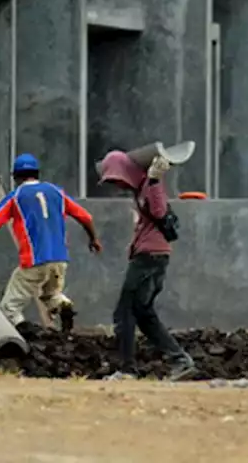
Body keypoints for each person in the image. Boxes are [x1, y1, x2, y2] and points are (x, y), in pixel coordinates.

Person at [96, 150, 196, 381]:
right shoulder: (142, 189)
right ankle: (180, 360)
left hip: (149, 258)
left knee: (124, 313)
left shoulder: (149, 185)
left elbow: (159, 210)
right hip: (154, 257)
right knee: (143, 313)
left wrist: (154, 180)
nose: (118, 186)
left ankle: (127, 369)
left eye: (117, 179)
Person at [0, 153, 102, 330]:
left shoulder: (16, 196)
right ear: (37, 173)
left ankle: (26, 334)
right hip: (59, 259)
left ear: (16, 176)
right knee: (51, 295)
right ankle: (63, 306)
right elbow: (86, 217)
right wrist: (93, 239)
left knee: (9, 308)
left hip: (34, 260)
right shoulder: (56, 192)